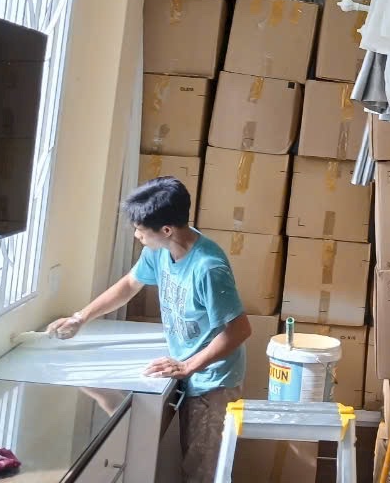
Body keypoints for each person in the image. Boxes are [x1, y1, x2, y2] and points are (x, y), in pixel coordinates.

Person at [46, 177, 251, 483]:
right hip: (189, 366)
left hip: (214, 380)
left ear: (166, 230)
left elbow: (239, 330)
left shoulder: (208, 267)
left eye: (141, 229)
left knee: (203, 473)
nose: (137, 234)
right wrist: (81, 317)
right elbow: (130, 285)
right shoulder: (159, 250)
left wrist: (188, 366)